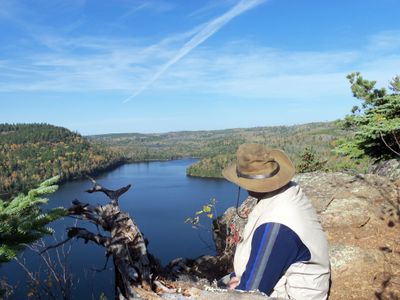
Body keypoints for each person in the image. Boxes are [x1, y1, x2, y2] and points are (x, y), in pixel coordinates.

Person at [222, 143, 330, 299]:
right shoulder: (288, 193)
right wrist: (236, 276)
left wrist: (236, 285)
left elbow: (251, 293)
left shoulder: (276, 225)